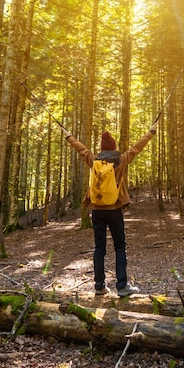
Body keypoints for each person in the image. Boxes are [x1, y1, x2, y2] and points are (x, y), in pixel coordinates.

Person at [62, 123, 157, 297]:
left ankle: (99, 286)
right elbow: (137, 147)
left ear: (101, 148)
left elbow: (81, 149)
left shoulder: (94, 160)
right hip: (114, 210)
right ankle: (122, 286)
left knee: (99, 248)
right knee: (120, 247)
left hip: (97, 210)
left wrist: (68, 136)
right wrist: (151, 131)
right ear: (114, 147)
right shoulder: (121, 159)